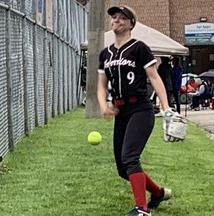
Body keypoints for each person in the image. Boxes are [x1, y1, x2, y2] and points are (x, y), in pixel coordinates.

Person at [97, 5, 173, 216]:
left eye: (122, 18)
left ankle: (142, 209)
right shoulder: (106, 54)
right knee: (123, 169)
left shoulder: (139, 48)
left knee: (130, 158)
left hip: (140, 108)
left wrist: (166, 108)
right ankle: (158, 193)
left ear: (131, 23)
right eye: (114, 17)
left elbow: (154, 77)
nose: (116, 21)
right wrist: (104, 105)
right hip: (121, 110)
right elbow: (101, 84)